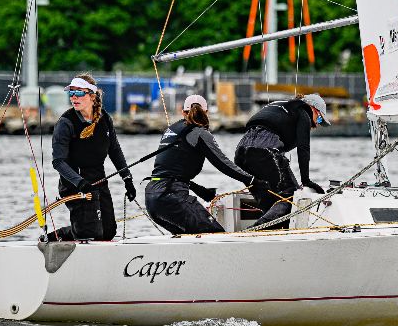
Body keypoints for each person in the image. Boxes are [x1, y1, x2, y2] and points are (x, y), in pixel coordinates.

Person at [145, 94, 255, 235]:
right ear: (207, 112)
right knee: (215, 234)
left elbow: (170, 169)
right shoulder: (200, 133)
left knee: (187, 238)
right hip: (171, 196)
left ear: (182, 111)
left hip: (151, 197)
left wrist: (199, 189)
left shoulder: (171, 129)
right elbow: (223, 163)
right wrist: (251, 180)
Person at [51, 74, 135, 241]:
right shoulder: (65, 123)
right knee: (90, 233)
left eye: (79, 93)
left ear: (92, 96)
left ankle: (80, 231)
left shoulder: (104, 119)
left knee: (108, 232)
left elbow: (115, 151)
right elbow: (58, 162)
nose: (74, 96)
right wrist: (80, 183)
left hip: (99, 181)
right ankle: (58, 235)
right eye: (71, 92)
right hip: (75, 184)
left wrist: (127, 179)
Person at [234, 94, 328, 230]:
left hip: (241, 154)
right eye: (319, 118)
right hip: (264, 151)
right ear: (312, 108)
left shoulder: (281, 106)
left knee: (269, 201)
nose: (317, 124)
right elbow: (303, 148)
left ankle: (267, 233)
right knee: (291, 197)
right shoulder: (303, 112)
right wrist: (306, 180)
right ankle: (255, 230)